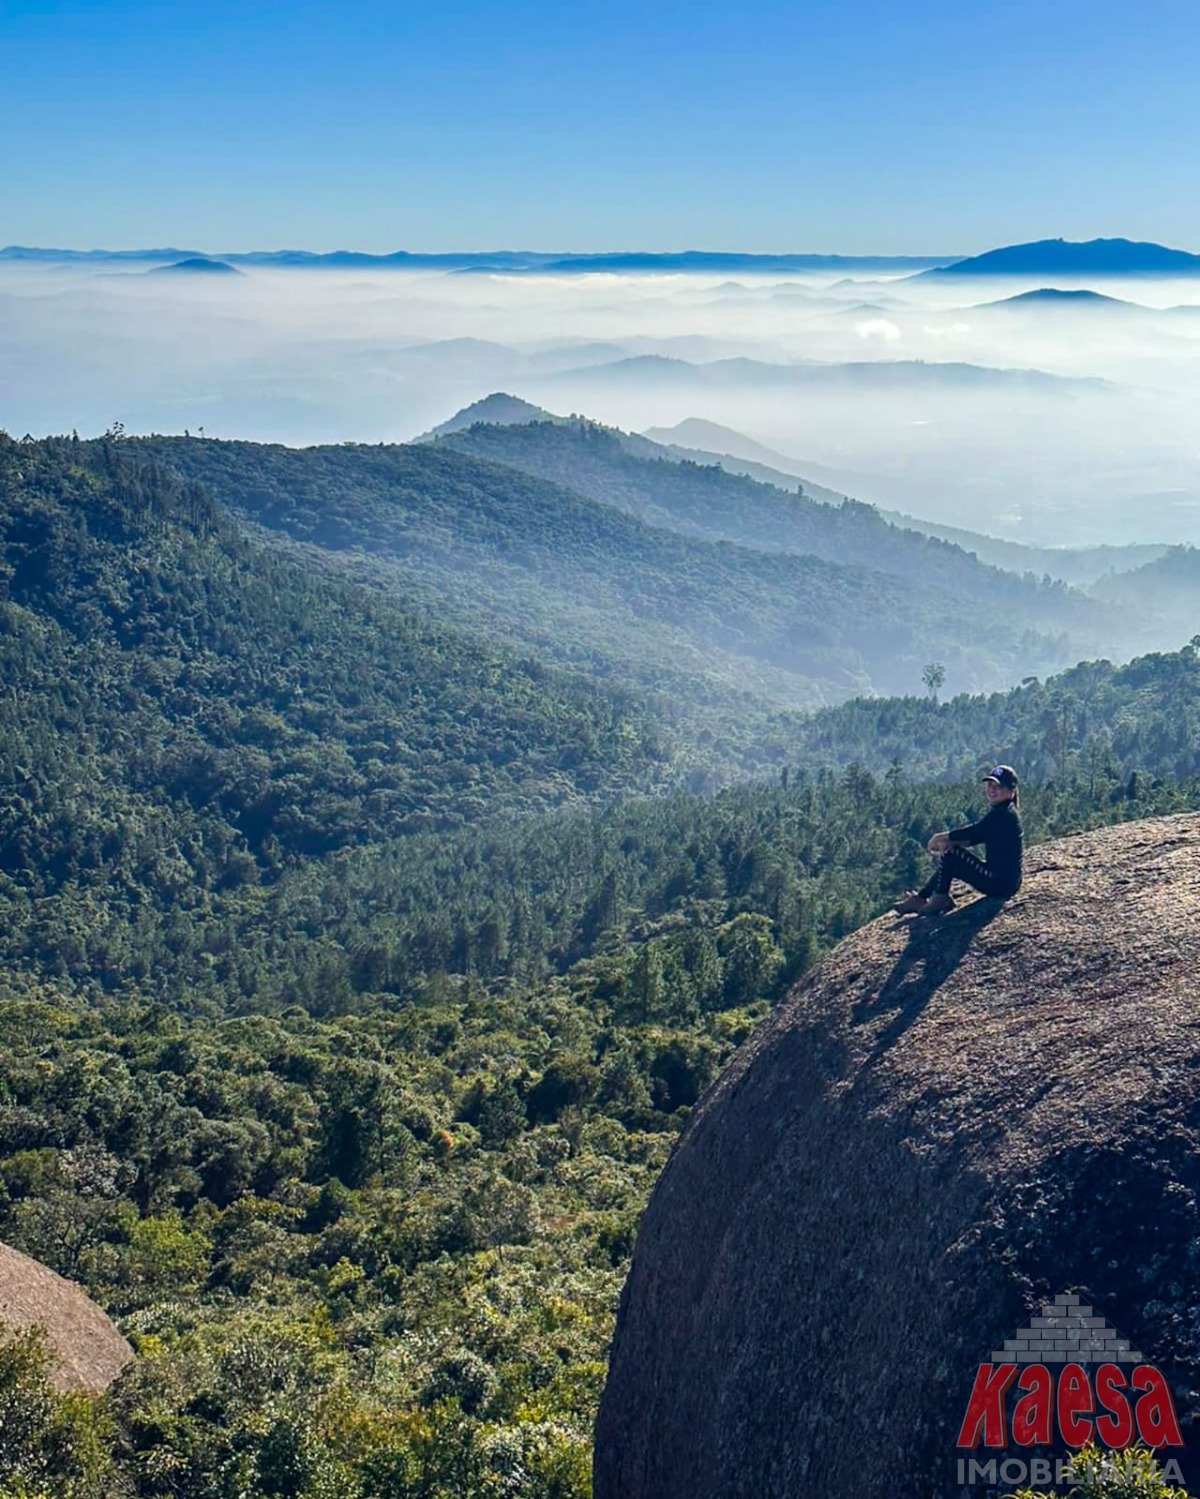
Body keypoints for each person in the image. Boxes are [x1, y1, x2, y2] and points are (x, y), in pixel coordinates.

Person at [894, 765, 1023, 915]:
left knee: (952, 854)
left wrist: (941, 837)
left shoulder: (1003, 814)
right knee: (952, 857)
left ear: (1011, 790)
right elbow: (976, 837)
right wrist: (950, 842)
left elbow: (975, 832)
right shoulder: (1004, 811)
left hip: (999, 883)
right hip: (1004, 881)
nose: (992, 790)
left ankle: (939, 897)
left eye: (998, 786)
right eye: (990, 785)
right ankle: (922, 897)